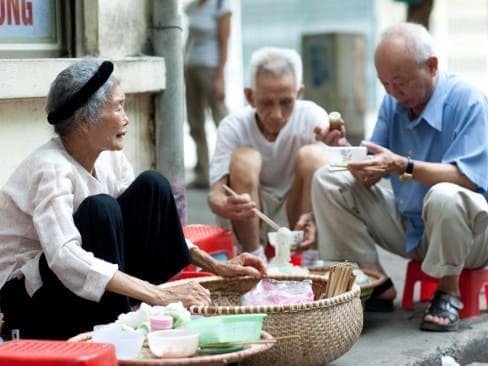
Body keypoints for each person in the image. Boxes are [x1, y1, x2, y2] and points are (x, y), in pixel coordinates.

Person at [0, 58, 266, 340]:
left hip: (83, 289)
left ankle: (128, 309)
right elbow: (64, 257)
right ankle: (123, 316)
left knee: (153, 187)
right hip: (30, 299)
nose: (125, 117)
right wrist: (158, 295)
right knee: (101, 209)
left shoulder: (108, 157)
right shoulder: (50, 168)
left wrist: (216, 265)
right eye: (117, 107)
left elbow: (150, 225)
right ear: (83, 119)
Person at [312, 22, 488, 332]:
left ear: (431, 66)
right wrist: (343, 151)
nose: (393, 92)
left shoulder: (469, 101)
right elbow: (372, 170)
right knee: (329, 179)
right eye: (384, 84)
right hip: (412, 227)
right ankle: (374, 282)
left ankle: (448, 291)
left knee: (445, 194)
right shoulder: (394, 103)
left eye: (400, 82)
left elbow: (467, 179)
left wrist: (404, 166)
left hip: (470, 235)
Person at [208, 46, 329, 262]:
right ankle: (255, 258)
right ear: (250, 97)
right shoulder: (233, 127)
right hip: (253, 214)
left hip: (300, 207)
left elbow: (336, 182)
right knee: (245, 159)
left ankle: (310, 257)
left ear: (298, 94)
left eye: (286, 102)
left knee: (315, 157)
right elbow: (215, 194)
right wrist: (224, 205)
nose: (276, 114)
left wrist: (339, 145)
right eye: (266, 103)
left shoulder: (314, 117)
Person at [184, 0, 231, 189]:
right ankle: (203, 173)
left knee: (222, 120)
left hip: (211, 68)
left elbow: (224, 42)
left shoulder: (220, 5)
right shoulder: (194, 6)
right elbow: (189, 38)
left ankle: (231, 171)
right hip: (191, 66)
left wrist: (220, 77)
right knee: (195, 122)